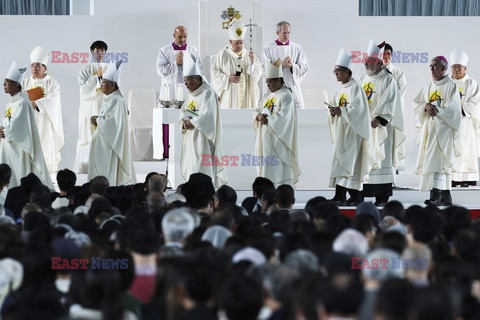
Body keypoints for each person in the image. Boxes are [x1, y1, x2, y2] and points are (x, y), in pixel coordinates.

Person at [360, 39, 405, 206]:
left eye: (370, 61)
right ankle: (365, 193)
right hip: (365, 126)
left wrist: (379, 118)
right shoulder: (364, 78)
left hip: (379, 127)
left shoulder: (388, 79)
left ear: (379, 63)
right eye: (366, 60)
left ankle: (382, 196)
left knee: (382, 160)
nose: (366, 63)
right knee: (367, 161)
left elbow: (390, 100)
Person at [329, 48, 375, 206]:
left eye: (338, 71)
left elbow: (359, 110)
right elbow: (337, 105)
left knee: (351, 164)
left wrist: (340, 110)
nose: (336, 74)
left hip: (353, 132)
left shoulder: (356, 88)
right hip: (343, 131)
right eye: (335, 71)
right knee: (340, 162)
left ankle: (356, 196)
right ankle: (340, 194)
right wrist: (333, 111)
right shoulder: (342, 88)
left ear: (348, 72)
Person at [414, 56, 461, 206]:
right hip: (431, 130)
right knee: (435, 162)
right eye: (431, 66)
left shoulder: (451, 85)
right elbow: (418, 103)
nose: (432, 69)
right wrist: (426, 106)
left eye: (435, 66)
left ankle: (436, 195)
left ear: (443, 68)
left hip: (444, 131)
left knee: (440, 162)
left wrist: (436, 110)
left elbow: (453, 110)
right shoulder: (429, 86)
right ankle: (445, 197)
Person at [0, 61, 52, 188]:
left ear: (16, 84)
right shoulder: (11, 103)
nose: (4, 84)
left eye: (7, 82)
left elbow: (20, 127)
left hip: (18, 148)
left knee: (17, 179)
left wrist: (5, 131)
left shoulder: (23, 103)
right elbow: (6, 121)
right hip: (7, 146)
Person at [179, 52, 227, 187]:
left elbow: (208, 116)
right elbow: (183, 112)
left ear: (198, 79)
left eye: (189, 79)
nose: (187, 83)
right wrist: (183, 123)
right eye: (185, 80)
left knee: (201, 168)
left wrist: (191, 122)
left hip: (202, 140)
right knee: (192, 167)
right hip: (190, 139)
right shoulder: (191, 95)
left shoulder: (208, 93)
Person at [156, 26, 202, 160]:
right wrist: (176, 63)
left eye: (185, 37)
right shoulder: (164, 51)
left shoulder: (193, 50)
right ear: (173, 36)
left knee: (188, 117)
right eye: (179, 37)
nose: (182, 40)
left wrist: (187, 64)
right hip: (170, 91)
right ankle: (167, 153)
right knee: (169, 120)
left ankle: (188, 150)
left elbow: (199, 69)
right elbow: (161, 71)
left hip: (188, 91)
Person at [87, 60, 136, 186]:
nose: (101, 85)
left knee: (108, 175)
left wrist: (98, 120)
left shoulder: (118, 100)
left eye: (104, 83)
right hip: (103, 143)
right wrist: (97, 119)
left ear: (113, 85)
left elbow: (115, 124)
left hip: (110, 145)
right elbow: (107, 117)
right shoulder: (109, 99)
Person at [253, 60, 300, 187]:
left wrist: (269, 119)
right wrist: (258, 116)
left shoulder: (287, 95)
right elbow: (257, 110)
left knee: (279, 170)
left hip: (280, 141)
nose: (268, 85)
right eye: (267, 82)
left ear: (279, 80)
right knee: (267, 170)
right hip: (266, 140)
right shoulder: (267, 96)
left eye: (271, 82)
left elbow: (285, 117)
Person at [23, 46, 64, 174]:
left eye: (38, 66)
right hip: (30, 122)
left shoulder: (53, 83)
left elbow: (53, 101)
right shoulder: (25, 82)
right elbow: (20, 100)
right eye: (32, 65)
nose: (34, 69)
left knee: (45, 150)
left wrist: (37, 103)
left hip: (46, 123)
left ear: (45, 67)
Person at [74, 40, 108, 173]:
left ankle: (103, 165)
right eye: (97, 52)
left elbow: (115, 85)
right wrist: (97, 79)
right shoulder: (85, 70)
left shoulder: (109, 68)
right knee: (88, 136)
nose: (100, 55)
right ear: (92, 52)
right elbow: (84, 89)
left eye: (102, 52)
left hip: (103, 106)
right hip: (89, 107)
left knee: (103, 136)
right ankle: (87, 167)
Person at [211, 19, 262, 109]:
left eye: (241, 43)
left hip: (247, 94)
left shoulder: (249, 54)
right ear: (230, 41)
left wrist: (252, 63)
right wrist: (228, 79)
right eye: (236, 43)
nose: (239, 46)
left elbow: (258, 73)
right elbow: (214, 72)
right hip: (229, 94)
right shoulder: (223, 54)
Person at [449, 49, 480, 187]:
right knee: (452, 150)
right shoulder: (446, 83)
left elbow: (475, 103)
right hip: (450, 123)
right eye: (454, 67)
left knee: (467, 150)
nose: (456, 70)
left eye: (459, 67)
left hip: (466, 123)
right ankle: (453, 178)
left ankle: (468, 178)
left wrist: (460, 107)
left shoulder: (472, 84)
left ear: (465, 68)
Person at [263, 21, 308, 109]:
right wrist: (280, 64)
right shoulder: (268, 48)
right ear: (277, 33)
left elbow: (305, 67)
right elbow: (264, 69)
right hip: (275, 89)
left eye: (288, 33)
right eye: (284, 33)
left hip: (292, 88)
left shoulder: (296, 48)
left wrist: (293, 67)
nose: (287, 35)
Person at [383, 42, 407, 171]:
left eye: (388, 54)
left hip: (392, 113)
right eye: (383, 54)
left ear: (392, 56)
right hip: (377, 114)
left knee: (392, 143)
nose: (386, 56)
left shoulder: (398, 72)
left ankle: (392, 170)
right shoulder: (373, 73)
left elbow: (401, 91)